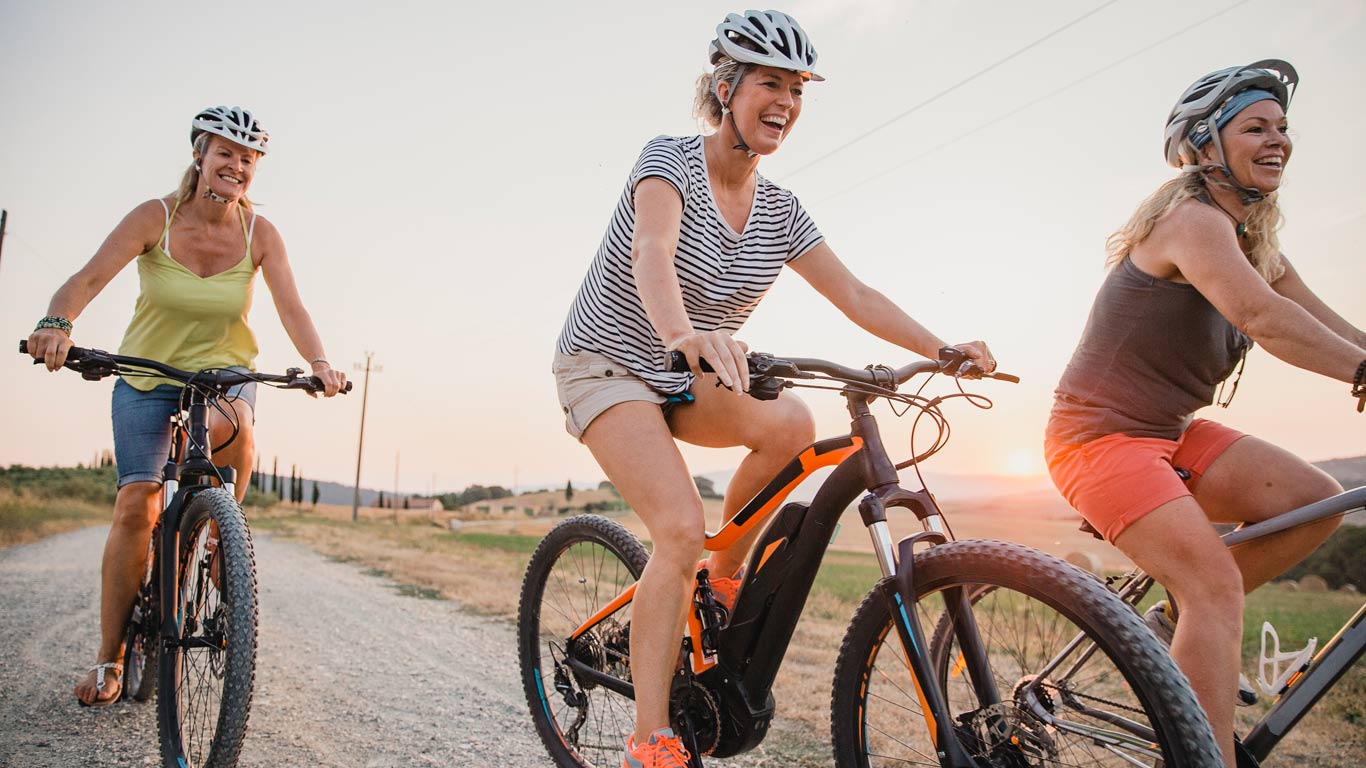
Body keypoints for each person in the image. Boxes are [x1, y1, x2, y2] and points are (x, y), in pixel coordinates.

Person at [553, 11, 996, 767]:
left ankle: (723, 584)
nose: (786, 101)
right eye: (770, 83)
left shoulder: (782, 211)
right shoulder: (668, 161)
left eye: (797, 89)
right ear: (726, 87)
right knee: (678, 528)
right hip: (611, 363)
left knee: (793, 420)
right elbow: (652, 251)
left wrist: (940, 348)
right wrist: (681, 333)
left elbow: (853, 292)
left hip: (687, 377)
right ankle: (648, 739)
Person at [1044, 60, 1365, 767]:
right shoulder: (1189, 222)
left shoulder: (1254, 242)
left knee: (1318, 502)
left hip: (1167, 434)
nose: (1277, 139)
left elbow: (1330, 326)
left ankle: (1168, 624)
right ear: (1205, 145)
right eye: (1256, 127)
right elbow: (1263, 317)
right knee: (1213, 587)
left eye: (1282, 128)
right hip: (1096, 441)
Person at [26, 106, 347, 707]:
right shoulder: (157, 216)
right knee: (135, 506)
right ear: (200, 156)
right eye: (226, 152)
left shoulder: (261, 234)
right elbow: (90, 278)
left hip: (222, 377)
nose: (237, 166)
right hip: (147, 374)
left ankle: (223, 540)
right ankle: (110, 658)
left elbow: (292, 308)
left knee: (239, 431)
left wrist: (320, 362)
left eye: (249, 159)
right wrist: (55, 322)